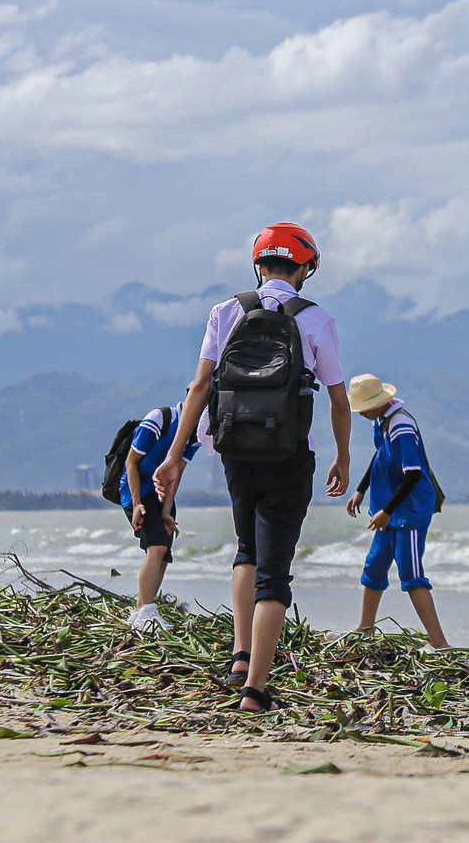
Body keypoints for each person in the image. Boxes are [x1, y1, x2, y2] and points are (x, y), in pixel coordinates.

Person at [154, 222, 350, 712]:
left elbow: (199, 388)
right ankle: (256, 691)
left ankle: (241, 657)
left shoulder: (226, 311)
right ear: (306, 268)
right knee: (274, 573)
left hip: (234, 449)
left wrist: (175, 455)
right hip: (289, 453)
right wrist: (343, 456)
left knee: (246, 549)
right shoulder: (316, 319)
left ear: (258, 265)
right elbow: (338, 400)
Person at [344, 373, 450, 648]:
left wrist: (388, 511)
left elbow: (413, 474)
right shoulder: (381, 420)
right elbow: (380, 455)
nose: (362, 414)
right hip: (388, 508)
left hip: (409, 511)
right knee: (375, 566)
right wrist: (361, 489)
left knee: (411, 574)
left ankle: (440, 643)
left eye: (364, 408)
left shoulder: (401, 425)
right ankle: (365, 628)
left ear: (378, 402)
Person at [120, 398, 200, 631]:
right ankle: (146, 610)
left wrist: (166, 511)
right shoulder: (161, 418)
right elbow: (131, 462)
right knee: (155, 548)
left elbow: (178, 472)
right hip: (138, 490)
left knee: (164, 554)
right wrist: (136, 503)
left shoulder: (197, 432)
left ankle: (140, 611)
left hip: (162, 494)